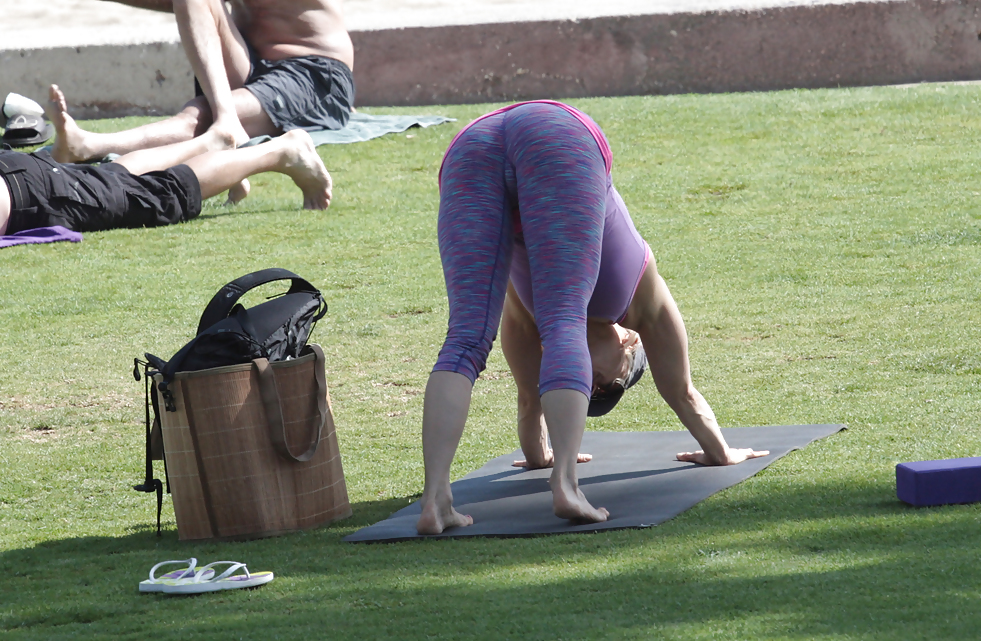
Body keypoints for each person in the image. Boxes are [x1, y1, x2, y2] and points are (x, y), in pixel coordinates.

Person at [417, 101, 769, 535]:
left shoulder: (527, 321)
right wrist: (721, 451)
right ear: (628, 343)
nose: (597, 385)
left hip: (473, 148)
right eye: (612, 383)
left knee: (466, 340)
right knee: (560, 318)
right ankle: (565, 486)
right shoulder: (645, 303)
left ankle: (436, 502)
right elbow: (682, 391)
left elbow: (530, 404)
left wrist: (539, 456)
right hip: (557, 135)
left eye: (594, 390)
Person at [0, 86, 332, 237]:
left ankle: (282, 152)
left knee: (164, 195)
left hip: (30, 192)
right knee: (113, 179)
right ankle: (209, 143)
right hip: (23, 180)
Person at [51, 0, 354, 163]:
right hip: (250, 62)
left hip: (314, 74)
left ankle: (90, 145)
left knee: (198, 116)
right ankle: (227, 121)